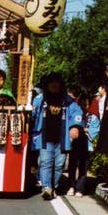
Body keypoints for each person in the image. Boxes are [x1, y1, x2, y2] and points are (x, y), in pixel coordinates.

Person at [31, 72, 83, 200]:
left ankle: (54, 186)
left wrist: (75, 126)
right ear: (47, 85)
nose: (54, 85)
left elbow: (77, 113)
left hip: (62, 138)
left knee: (59, 164)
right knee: (45, 162)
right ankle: (47, 187)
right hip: (45, 137)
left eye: (56, 82)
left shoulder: (68, 101)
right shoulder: (39, 99)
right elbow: (32, 115)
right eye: (51, 83)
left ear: (60, 85)